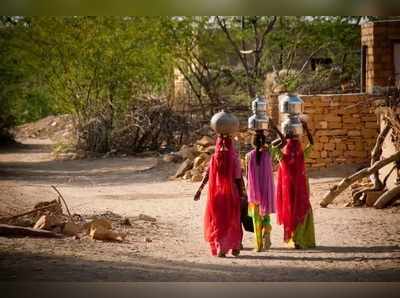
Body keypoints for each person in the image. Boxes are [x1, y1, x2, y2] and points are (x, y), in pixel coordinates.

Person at [194, 135, 243, 257]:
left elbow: (207, 176)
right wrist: (242, 193)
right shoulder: (234, 159)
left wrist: (199, 190)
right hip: (231, 194)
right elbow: (238, 179)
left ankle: (221, 247)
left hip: (216, 194)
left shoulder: (214, 158)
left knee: (218, 220)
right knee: (233, 220)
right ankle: (235, 246)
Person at [275, 119, 316, 249]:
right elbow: (312, 144)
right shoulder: (302, 156)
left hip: (287, 192)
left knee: (291, 212)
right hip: (301, 191)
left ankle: (295, 239)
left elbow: (273, 147)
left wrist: (281, 135)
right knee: (303, 211)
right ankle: (301, 240)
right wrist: (306, 129)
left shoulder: (282, 157)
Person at [245, 123, 283, 252]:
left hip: (254, 192)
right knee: (265, 216)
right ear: (264, 142)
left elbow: (247, 176)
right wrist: (275, 127)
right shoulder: (269, 153)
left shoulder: (248, 156)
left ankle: (259, 245)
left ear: (253, 142)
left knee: (256, 218)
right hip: (267, 190)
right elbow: (283, 141)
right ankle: (267, 234)